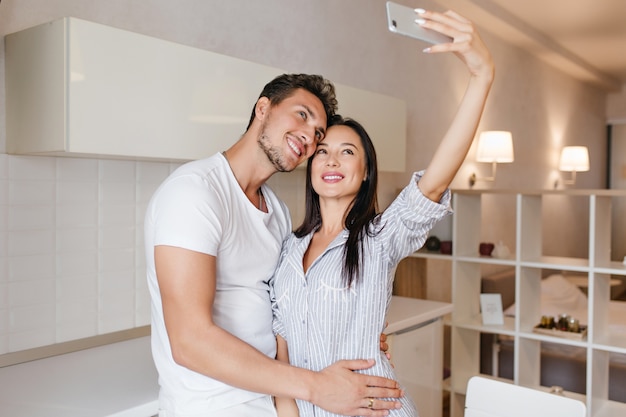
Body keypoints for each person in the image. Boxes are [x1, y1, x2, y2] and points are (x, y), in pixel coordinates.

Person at [270, 9, 494, 417]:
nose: (332, 160)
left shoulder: (378, 238)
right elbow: (282, 352)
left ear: (365, 170)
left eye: (347, 152)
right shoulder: (288, 246)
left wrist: (481, 77)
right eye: (322, 152)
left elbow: (436, 181)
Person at [144, 71, 404, 414]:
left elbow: (289, 308)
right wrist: (316, 387)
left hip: (275, 402)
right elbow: (189, 341)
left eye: (317, 133)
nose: (309, 138)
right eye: (302, 114)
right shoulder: (194, 193)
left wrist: (353, 331)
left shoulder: (277, 213)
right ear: (263, 108)